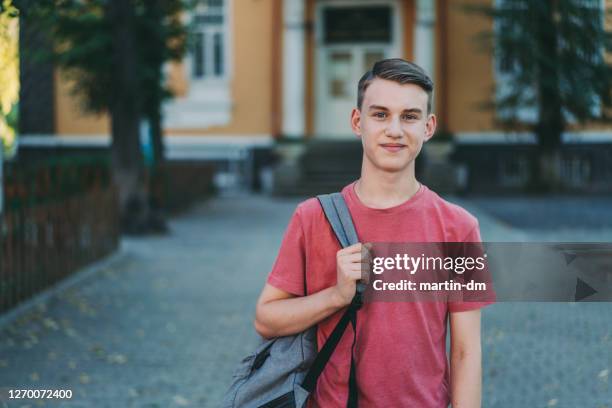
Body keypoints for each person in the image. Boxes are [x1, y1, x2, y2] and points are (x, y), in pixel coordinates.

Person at [254, 58, 493, 407]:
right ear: (357, 121)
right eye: (380, 114)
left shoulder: (458, 226)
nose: (394, 129)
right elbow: (266, 319)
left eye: (409, 116)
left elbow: (465, 352)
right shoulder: (313, 217)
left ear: (428, 127)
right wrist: (335, 296)